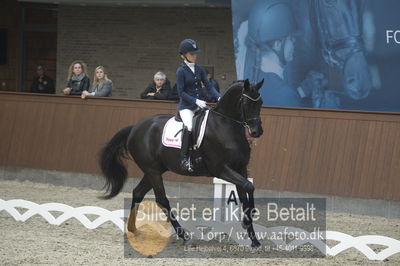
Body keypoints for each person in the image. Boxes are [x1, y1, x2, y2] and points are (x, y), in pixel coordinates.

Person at [244, 0, 324, 107]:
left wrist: (302, 90)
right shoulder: (284, 94)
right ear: (278, 44)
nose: (294, 42)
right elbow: (284, 100)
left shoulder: (255, 77)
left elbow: (276, 98)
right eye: (291, 38)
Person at [176, 38, 221, 172]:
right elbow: (181, 92)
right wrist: (195, 101)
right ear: (184, 55)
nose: (194, 56)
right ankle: (183, 159)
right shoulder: (181, 71)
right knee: (189, 127)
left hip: (200, 105)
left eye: (195, 54)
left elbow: (209, 86)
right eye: (191, 54)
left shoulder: (200, 69)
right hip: (186, 107)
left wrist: (219, 96)